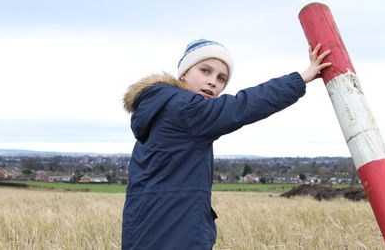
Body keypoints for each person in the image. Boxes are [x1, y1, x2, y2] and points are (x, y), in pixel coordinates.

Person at [121, 39, 331, 249]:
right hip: (175, 234)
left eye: (221, 78)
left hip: (145, 231)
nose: (213, 82)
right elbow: (243, 105)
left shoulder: (159, 108)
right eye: (205, 70)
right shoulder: (185, 109)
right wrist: (301, 79)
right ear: (183, 73)